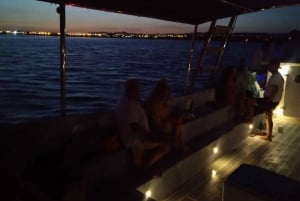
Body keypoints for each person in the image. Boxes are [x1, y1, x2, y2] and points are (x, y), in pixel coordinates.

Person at [114, 79, 171, 169]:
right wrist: (150, 136)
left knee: (164, 137)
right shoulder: (130, 105)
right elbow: (134, 127)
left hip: (132, 137)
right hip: (136, 140)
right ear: (131, 90)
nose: (139, 92)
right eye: (137, 90)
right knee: (167, 145)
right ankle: (147, 166)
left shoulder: (123, 100)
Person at [144, 78, 186, 151]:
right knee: (178, 124)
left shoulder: (162, 103)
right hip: (156, 128)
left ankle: (177, 143)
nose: (167, 96)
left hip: (162, 125)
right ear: (160, 93)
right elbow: (158, 123)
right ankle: (178, 144)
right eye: (165, 94)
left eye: (167, 94)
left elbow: (165, 115)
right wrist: (171, 119)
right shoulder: (155, 105)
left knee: (178, 122)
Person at [254, 59, 284, 141]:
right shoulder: (276, 76)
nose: (269, 67)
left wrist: (269, 100)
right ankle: (269, 134)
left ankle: (268, 135)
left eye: (270, 65)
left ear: (274, 66)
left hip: (271, 100)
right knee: (268, 116)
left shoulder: (276, 77)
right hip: (273, 100)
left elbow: (275, 89)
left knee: (268, 116)